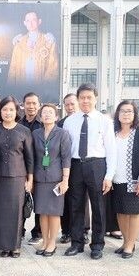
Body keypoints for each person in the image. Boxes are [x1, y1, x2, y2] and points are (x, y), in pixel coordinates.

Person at [62, 83, 116, 260]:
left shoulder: (105, 121)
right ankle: (77, 243)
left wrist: (109, 176)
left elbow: (111, 150)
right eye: (82, 97)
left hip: (97, 165)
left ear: (95, 98)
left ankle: (97, 245)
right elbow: (66, 149)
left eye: (89, 97)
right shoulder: (70, 121)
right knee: (76, 205)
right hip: (76, 165)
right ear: (78, 99)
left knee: (98, 207)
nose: (85, 101)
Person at [0, 96, 33, 257]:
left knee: (16, 213)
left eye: (11, 109)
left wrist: (30, 179)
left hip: (18, 178)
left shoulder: (24, 131)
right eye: (5, 109)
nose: (8, 113)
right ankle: (3, 246)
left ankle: (15, 246)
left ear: (16, 111)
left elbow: (30, 158)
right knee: (0, 212)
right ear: (0, 111)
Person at [111, 101, 139, 259]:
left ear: (135, 114)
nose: (126, 114)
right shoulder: (113, 132)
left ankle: (131, 244)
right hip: (116, 180)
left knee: (135, 212)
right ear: (118, 114)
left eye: (129, 111)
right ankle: (125, 241)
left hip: (135, 181)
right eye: (122, 111)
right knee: (121, 212)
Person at [31, 104, 71, 257]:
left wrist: (65, 180)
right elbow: (33, 158)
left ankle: (52, 242)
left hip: (56, 179)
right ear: (40, 117)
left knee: (54, 213)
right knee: (42, 212)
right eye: (44, 113)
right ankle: (45, 240)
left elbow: (66, 158)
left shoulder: (62, 134)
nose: (47, 115)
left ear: (56, 116)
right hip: (40, 178)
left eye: (50, 112)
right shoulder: (35, 134)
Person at [57, 93, 91, 244]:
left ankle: (83, 230)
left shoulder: (86, 119)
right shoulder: (61, 123)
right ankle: (66, 231)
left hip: (81, 164)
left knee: (81, 199)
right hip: (64, 166)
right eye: (67, 105)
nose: (70, 107)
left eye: (72, 104)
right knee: (65, 198)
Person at [7, 11, 59, 87]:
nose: (30, 23)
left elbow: (53, 68)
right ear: (24, 23)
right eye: (28, 21)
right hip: (21, 87)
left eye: (33, 20)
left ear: (39, 21)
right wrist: (10, 88)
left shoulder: (48, 41)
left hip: (40, 89)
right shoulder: (19, 42)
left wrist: (44, 87)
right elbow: (13, 69)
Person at [18, 92, 43, 244]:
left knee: (40, 202)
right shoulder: (19, 124)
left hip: (41, 169)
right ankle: (19, 230)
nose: (31, 106)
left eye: (34, 103)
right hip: (21, 169)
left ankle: (38, 232)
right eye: (28, 103)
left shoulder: (44, 123)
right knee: (20, 201)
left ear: (39, 105)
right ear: (23, 105)